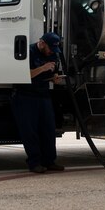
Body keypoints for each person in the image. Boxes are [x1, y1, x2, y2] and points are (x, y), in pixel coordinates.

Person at [11, 32, 65, 173]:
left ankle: (49, 161)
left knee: (48, 130)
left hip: (43, 95)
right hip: (26, 96)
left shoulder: (52, 54)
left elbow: (53, 72)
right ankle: (34, 163)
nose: (51, 52)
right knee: (30, 131)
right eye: (50, 49)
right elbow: (21, 75)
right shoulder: (27, 52)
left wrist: (55, 78)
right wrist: (42, 68)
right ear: (41, 43)